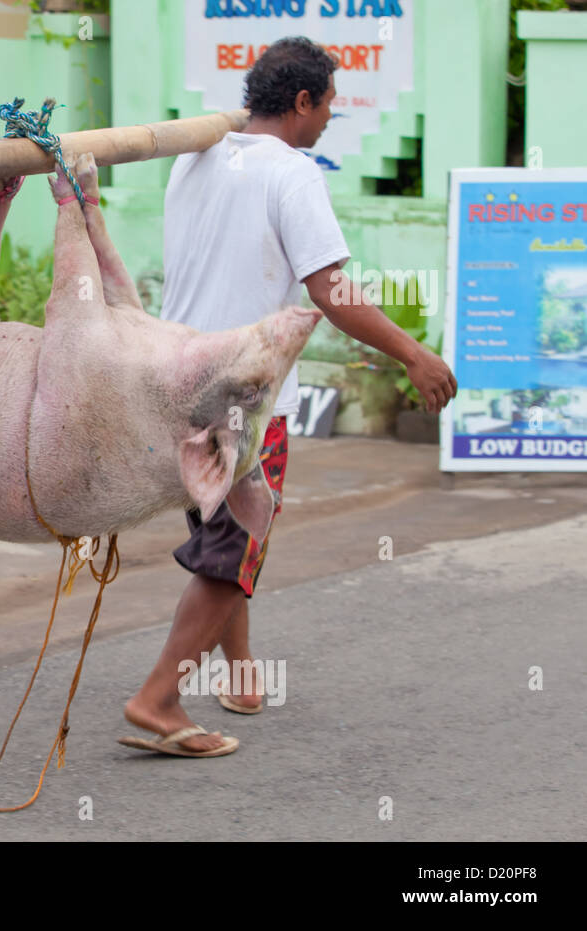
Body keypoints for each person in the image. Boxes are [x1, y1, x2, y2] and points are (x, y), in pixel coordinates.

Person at [121, 36, 456, 756]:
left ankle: (240, 670)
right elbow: (331, 289)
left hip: (179, 381)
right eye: (329, 102)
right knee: (236, 544)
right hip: (244, 395)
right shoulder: (293, 173)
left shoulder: (199, 152)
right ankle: (158, 698)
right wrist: (415, 353)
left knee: (224, 541)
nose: (332, 116)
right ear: (301, 101)